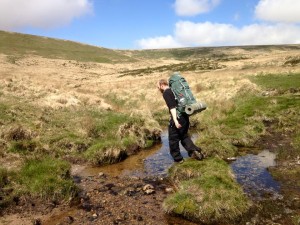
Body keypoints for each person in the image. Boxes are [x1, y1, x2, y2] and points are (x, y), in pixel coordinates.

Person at [157, 79, 204, 163]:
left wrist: (175, 120)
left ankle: (178, 159)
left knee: (173, 139)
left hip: (178, 117)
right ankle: (194, 151)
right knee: (183, 136)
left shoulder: (166, 93)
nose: (157, 88)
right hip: (184, 116)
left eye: (158, 86)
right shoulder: (174, 90)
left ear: (162, 85)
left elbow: (172, 107)